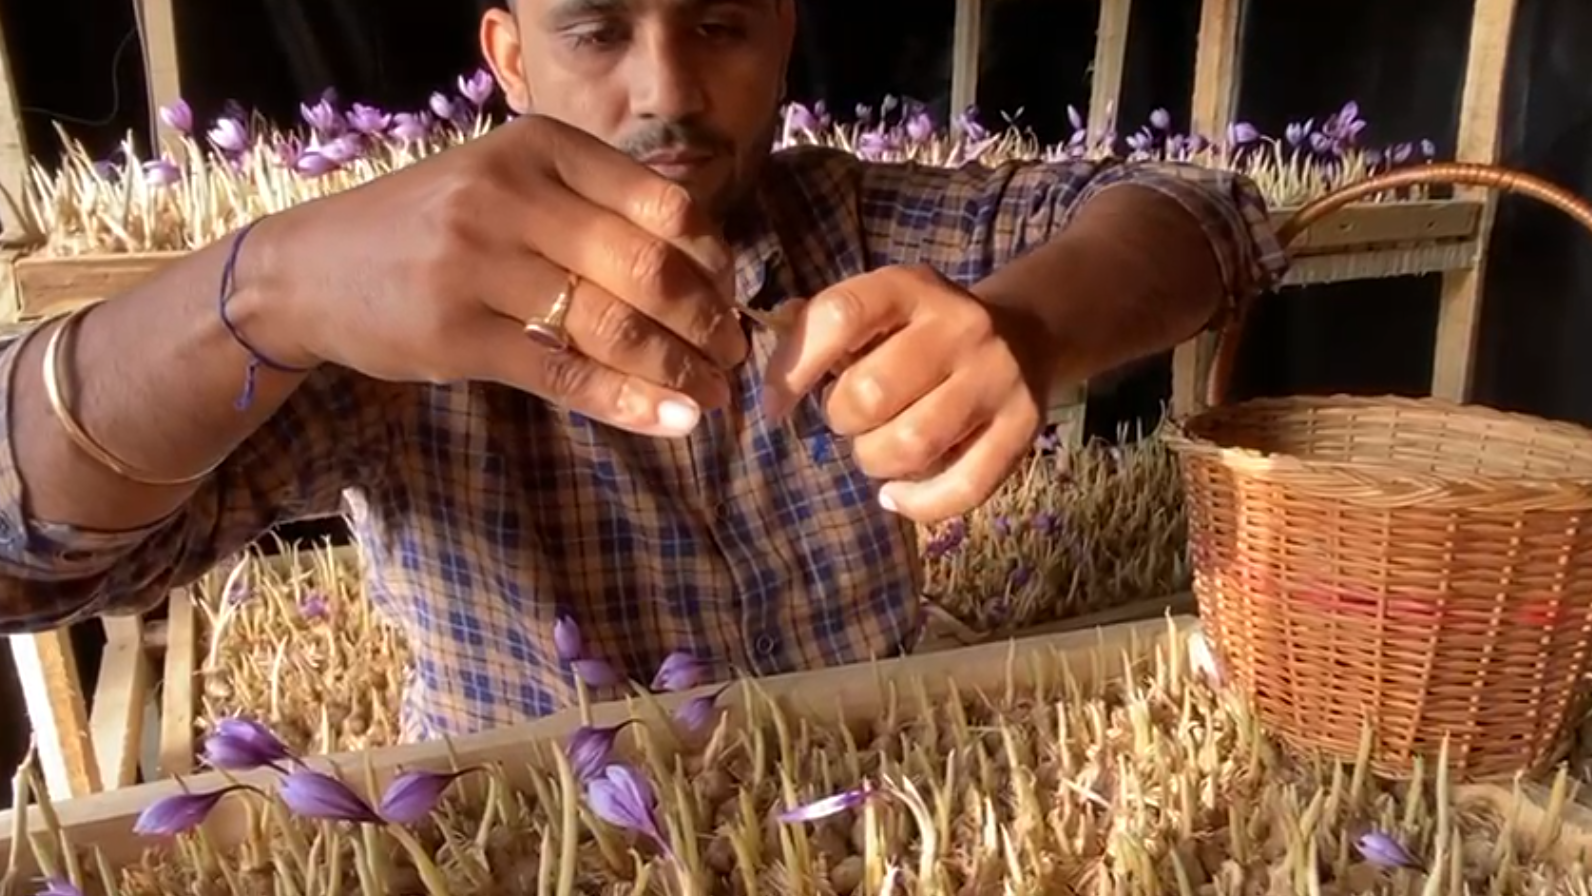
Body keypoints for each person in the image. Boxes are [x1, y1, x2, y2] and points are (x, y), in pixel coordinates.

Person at [0, 0, 1287, 740]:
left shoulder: (846, 222)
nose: (668, 93)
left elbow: (1213, 214)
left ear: (780, 34)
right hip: (553, 829)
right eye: (598, 31)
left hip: (875, 804)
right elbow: (30, 560)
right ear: (509, 54)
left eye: (717, 24)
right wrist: (261, 291)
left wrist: (1029, 326)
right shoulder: (402, 301)